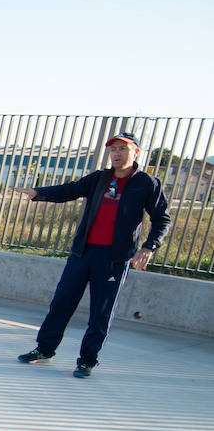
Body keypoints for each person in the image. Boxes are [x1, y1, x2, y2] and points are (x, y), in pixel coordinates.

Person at [12, 131, 172, 378]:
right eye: (114, 150)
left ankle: (87, 360)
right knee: (61, 302)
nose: (117, 154)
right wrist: (38, 193)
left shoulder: (147, 184)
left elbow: (162, 218)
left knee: (100, 312)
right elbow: (70, 190)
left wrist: (148, 247)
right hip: (83, 253)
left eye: (123, 149)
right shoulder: (99, 178)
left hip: (114, 259)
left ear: (136, 153)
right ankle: (44, 349)